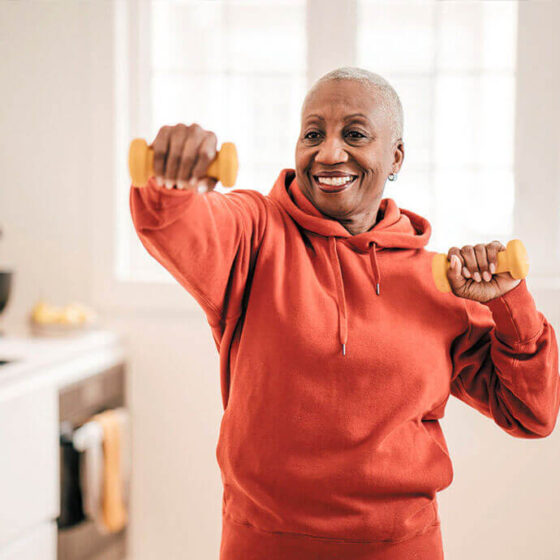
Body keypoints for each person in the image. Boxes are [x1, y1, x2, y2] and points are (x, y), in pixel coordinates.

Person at [129, 66, 560, 559]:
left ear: (395, 156)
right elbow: (177, 223)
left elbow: (532, 413)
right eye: (313, 134)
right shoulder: (255, 234)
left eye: (354, 134)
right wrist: (170, 181)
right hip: (262, 545)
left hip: (399, 548)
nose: (329, 154)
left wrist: (509, 302)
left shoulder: (440, 281)